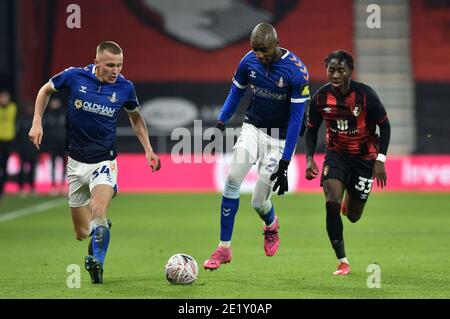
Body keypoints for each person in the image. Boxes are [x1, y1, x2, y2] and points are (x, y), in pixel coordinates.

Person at [28, 41, 161, 283]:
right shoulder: (74, 76)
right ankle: (101, 229)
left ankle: (97, 264)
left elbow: (136, 118)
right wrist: (37, 121)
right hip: (75, 164)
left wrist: (149, 150)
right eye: (110, 65)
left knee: (98, 211)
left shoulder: (125, 87)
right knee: (81, 233)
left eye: (119, 65)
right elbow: (44, 90)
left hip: (104, 162)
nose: (115, 70)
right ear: (97, 62)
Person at [204, 23, 310, 270]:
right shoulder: (248, 62)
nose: (259, 55)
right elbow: (235, 93)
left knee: (258, 202)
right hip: (253, 128)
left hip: (280, 138)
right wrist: (221, 121)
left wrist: (284, 163)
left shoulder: (296, 72)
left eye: (263, 50)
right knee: (232, 180)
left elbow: (296, 120)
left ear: (276, 43)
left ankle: (271, 226)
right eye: (255, 49)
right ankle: (223, 249)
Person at [304, 50, 391, 275]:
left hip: (364, 158)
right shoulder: (321, 98)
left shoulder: (365, 95)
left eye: (340, 70)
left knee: (353, 216)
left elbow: (385, 125)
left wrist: (380, 159)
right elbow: (311, 130)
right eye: (331, 70)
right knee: (331, 202)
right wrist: (310, 158)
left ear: (350, 71)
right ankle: (343, 261)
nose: (335, 74)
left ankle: (350, 198)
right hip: (336, 155)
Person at [43, 97, 67, 194]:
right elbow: (44, 131)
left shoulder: (64, 114)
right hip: (52, 145)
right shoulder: (47, 115)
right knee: (52, 164)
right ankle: (53, 185)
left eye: (56, 102)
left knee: (64, 165)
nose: (54, 104)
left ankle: (62, 185)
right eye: (53, 102)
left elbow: (69, 129)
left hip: (63, 144)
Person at [17, 102, 39, 196]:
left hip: (33, 148)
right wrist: (17, 148)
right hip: (23, 149)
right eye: (28, 108)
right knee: (22, 168)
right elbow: (17, 135)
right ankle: (21, 187)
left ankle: (32, 187)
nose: (29, 110)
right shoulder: (21, 120)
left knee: (33, 169)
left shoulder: (35, 121)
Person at [0, 89, 17, 199]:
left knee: (5, 167)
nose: (4, 99)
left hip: (8, 141)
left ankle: (2, 189)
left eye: (5, 97)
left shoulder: (13, 108)